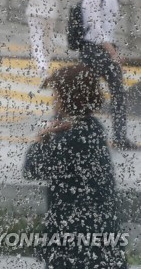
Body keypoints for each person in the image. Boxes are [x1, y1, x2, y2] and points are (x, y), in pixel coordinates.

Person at [23, 65, 127, 269]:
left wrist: (42, 137)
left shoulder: (72, 138)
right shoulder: (91, 128)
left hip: (77, 243)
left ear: (70, 97)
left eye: (57, 94)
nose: (53, 99)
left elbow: (31, 169)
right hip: (95, 236)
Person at [79, 0, 138, 150]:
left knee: (118, 93)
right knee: (84, 93)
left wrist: (112, 50)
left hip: (107, 50)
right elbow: (95, 27)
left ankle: (120, 138)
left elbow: (109, 28)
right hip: (93, 51)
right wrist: (112, 51)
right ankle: (71, 130)